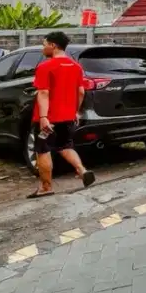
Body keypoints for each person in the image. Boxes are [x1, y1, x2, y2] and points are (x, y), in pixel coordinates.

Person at [28, 31, 96, 198]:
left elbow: (43, 93)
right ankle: (82, 170)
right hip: (67, 116)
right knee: (65, 146)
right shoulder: (76, 67)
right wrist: (75, 111)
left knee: (43, 150)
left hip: (48, 119)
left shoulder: (45, 67)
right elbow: (81, 92)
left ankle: (46, 187)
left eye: (44, 45)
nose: (43, 49)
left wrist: (44, 117)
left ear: (53, 45)